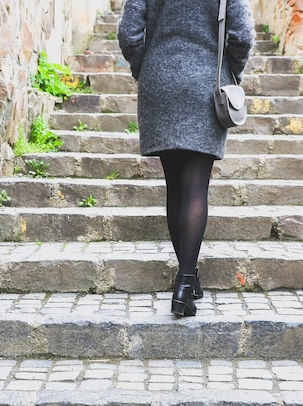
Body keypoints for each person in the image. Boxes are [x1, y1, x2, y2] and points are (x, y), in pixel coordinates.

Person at [118, 0, 255, 317]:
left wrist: (146, 67)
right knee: (195, 187)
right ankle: (185, 282)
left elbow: (129, 34)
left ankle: (188, 278)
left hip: (159, 82)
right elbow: (242, 36)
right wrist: (230, 70)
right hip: (206, 83)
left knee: (175, 188)